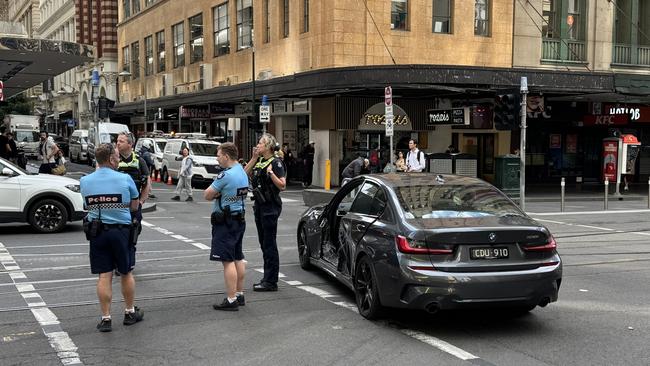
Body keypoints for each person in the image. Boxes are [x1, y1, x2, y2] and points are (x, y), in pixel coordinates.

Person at [79, 143, 144, 332]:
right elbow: (134, 206)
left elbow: (86, 205)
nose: (118, 159)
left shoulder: (85, 181)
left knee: (104, 274)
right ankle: (129, 312)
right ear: (110, 159)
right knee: (126, 272)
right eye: (116, 156)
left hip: (97, 232)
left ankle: (106, 318)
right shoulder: (124, 179)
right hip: (121, 232)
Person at [204, 142, 249, 311]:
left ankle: (231, 300)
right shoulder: (242, 173)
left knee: (227, 260)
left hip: (226, 222)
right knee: (238, 257)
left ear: (226, 156)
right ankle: (239, 293)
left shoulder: (226, 175)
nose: (217, 158)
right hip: (239, 219)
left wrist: (218, 193)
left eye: (218, 154)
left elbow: (207, 195)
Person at [245, 133, 286, 292]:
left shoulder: (276, 163)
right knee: (264, 243)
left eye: (261, 143)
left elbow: (282, 185)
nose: (258, 145)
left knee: (269, 244)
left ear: (268, 146)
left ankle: (271, 281)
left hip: (270, 207)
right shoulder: (260, 160)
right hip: (260, 205)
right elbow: (244, 173)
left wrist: (271, 173)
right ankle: (267, 278)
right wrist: (254, 158)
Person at [116, 133, 151, 241]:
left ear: (130, 144)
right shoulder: (113, 160)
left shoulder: (139, 161)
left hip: (134, 205)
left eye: (121, 141)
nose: (117, 143)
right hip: (117, 205)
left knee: (134, 232)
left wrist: (140, 202)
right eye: (117, 141)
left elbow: (147, 184)